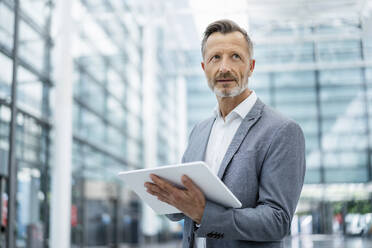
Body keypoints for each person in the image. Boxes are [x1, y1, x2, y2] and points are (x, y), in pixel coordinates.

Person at [144, 19, 306, 248]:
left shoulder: (282, 131)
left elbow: (277, 221)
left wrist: (204, 213)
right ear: (204, 68)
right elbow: (187, 206)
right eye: (215, 58)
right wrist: (169, 197)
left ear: (251, 66)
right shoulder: (200, 130)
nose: (224, 68)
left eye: (235, 56)